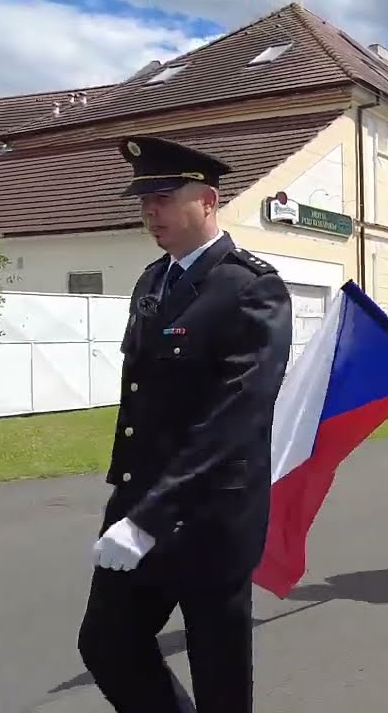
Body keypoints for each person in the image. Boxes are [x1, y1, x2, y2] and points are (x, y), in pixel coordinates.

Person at [77, 136, 294, 713]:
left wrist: (149, 517)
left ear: (208, 201)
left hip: (209, 517)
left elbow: (236, 416)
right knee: (106, 643)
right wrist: (130, 508)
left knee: (218, 673)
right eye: (144, 200)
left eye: (165, 198)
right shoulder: (154, 279)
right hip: (141, 501)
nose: (150, 211)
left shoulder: (253, 287)